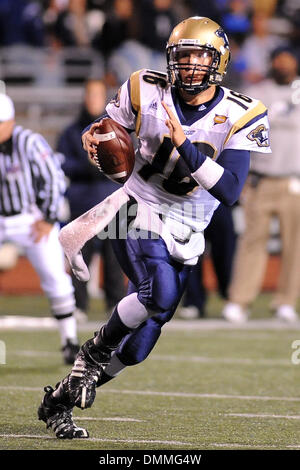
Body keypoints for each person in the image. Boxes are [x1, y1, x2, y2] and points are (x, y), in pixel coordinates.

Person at [37, 16, 271, 439]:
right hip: (134, 204)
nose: (189, 66)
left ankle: (59, 401)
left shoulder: (242, 112)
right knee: (157, 292)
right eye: (181, 57)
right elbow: (110, 134)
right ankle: (91, 353)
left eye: (199, 57)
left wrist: (185, 145)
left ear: (218, 60)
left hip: (187, 224)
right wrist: (100, 142)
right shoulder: (143, 86)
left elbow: (232, 190)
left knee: (139, 346)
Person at [0, 92, 79, 365]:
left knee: (55, 277)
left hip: (30, 219)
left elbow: (54, 178)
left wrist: (47, 217)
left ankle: (69, 339)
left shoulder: (29, 142)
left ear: (10, 122)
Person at [223, 46, 300, 323]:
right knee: (252, 242)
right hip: (261, 179)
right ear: (271, 63)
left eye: (288, 60)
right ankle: (239, 300)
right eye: (279, 60)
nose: (284, 65)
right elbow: (240, 136)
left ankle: (286, 301)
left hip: (295, 181)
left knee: (296, 246)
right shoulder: (258, 94)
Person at [57, 78, 126, 321]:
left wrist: (111, 164)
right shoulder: (71, 131)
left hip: (114, 201)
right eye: (90, 94)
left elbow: (130, 162)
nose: (93, 99)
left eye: (98, 95)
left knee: (115, 256)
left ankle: (115, 303)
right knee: (79, 255)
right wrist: (88, 166)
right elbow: (62, 164)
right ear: (84, 97)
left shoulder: (119, 128)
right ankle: (79, 305)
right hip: (83, 202)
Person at [179, 203, 236, 319]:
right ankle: (193, 300)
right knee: (189, 251)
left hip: (218, 199)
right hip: (192, 202)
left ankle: (231, 298)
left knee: (225, 252)